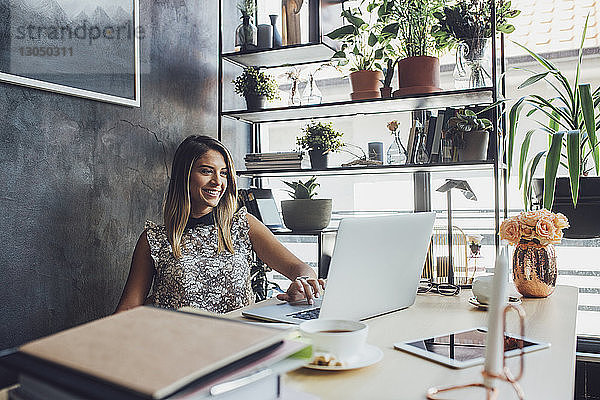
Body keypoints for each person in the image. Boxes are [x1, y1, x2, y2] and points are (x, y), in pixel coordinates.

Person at [115, 135, 325, 314]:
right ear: (184, 177)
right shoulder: (155, 239)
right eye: (206, 171)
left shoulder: (243, 225)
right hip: (178, 347)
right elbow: (128, 309)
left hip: (238, 342)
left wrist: (304, 282)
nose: (218, 181)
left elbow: (300, 268)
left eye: (223, 173)